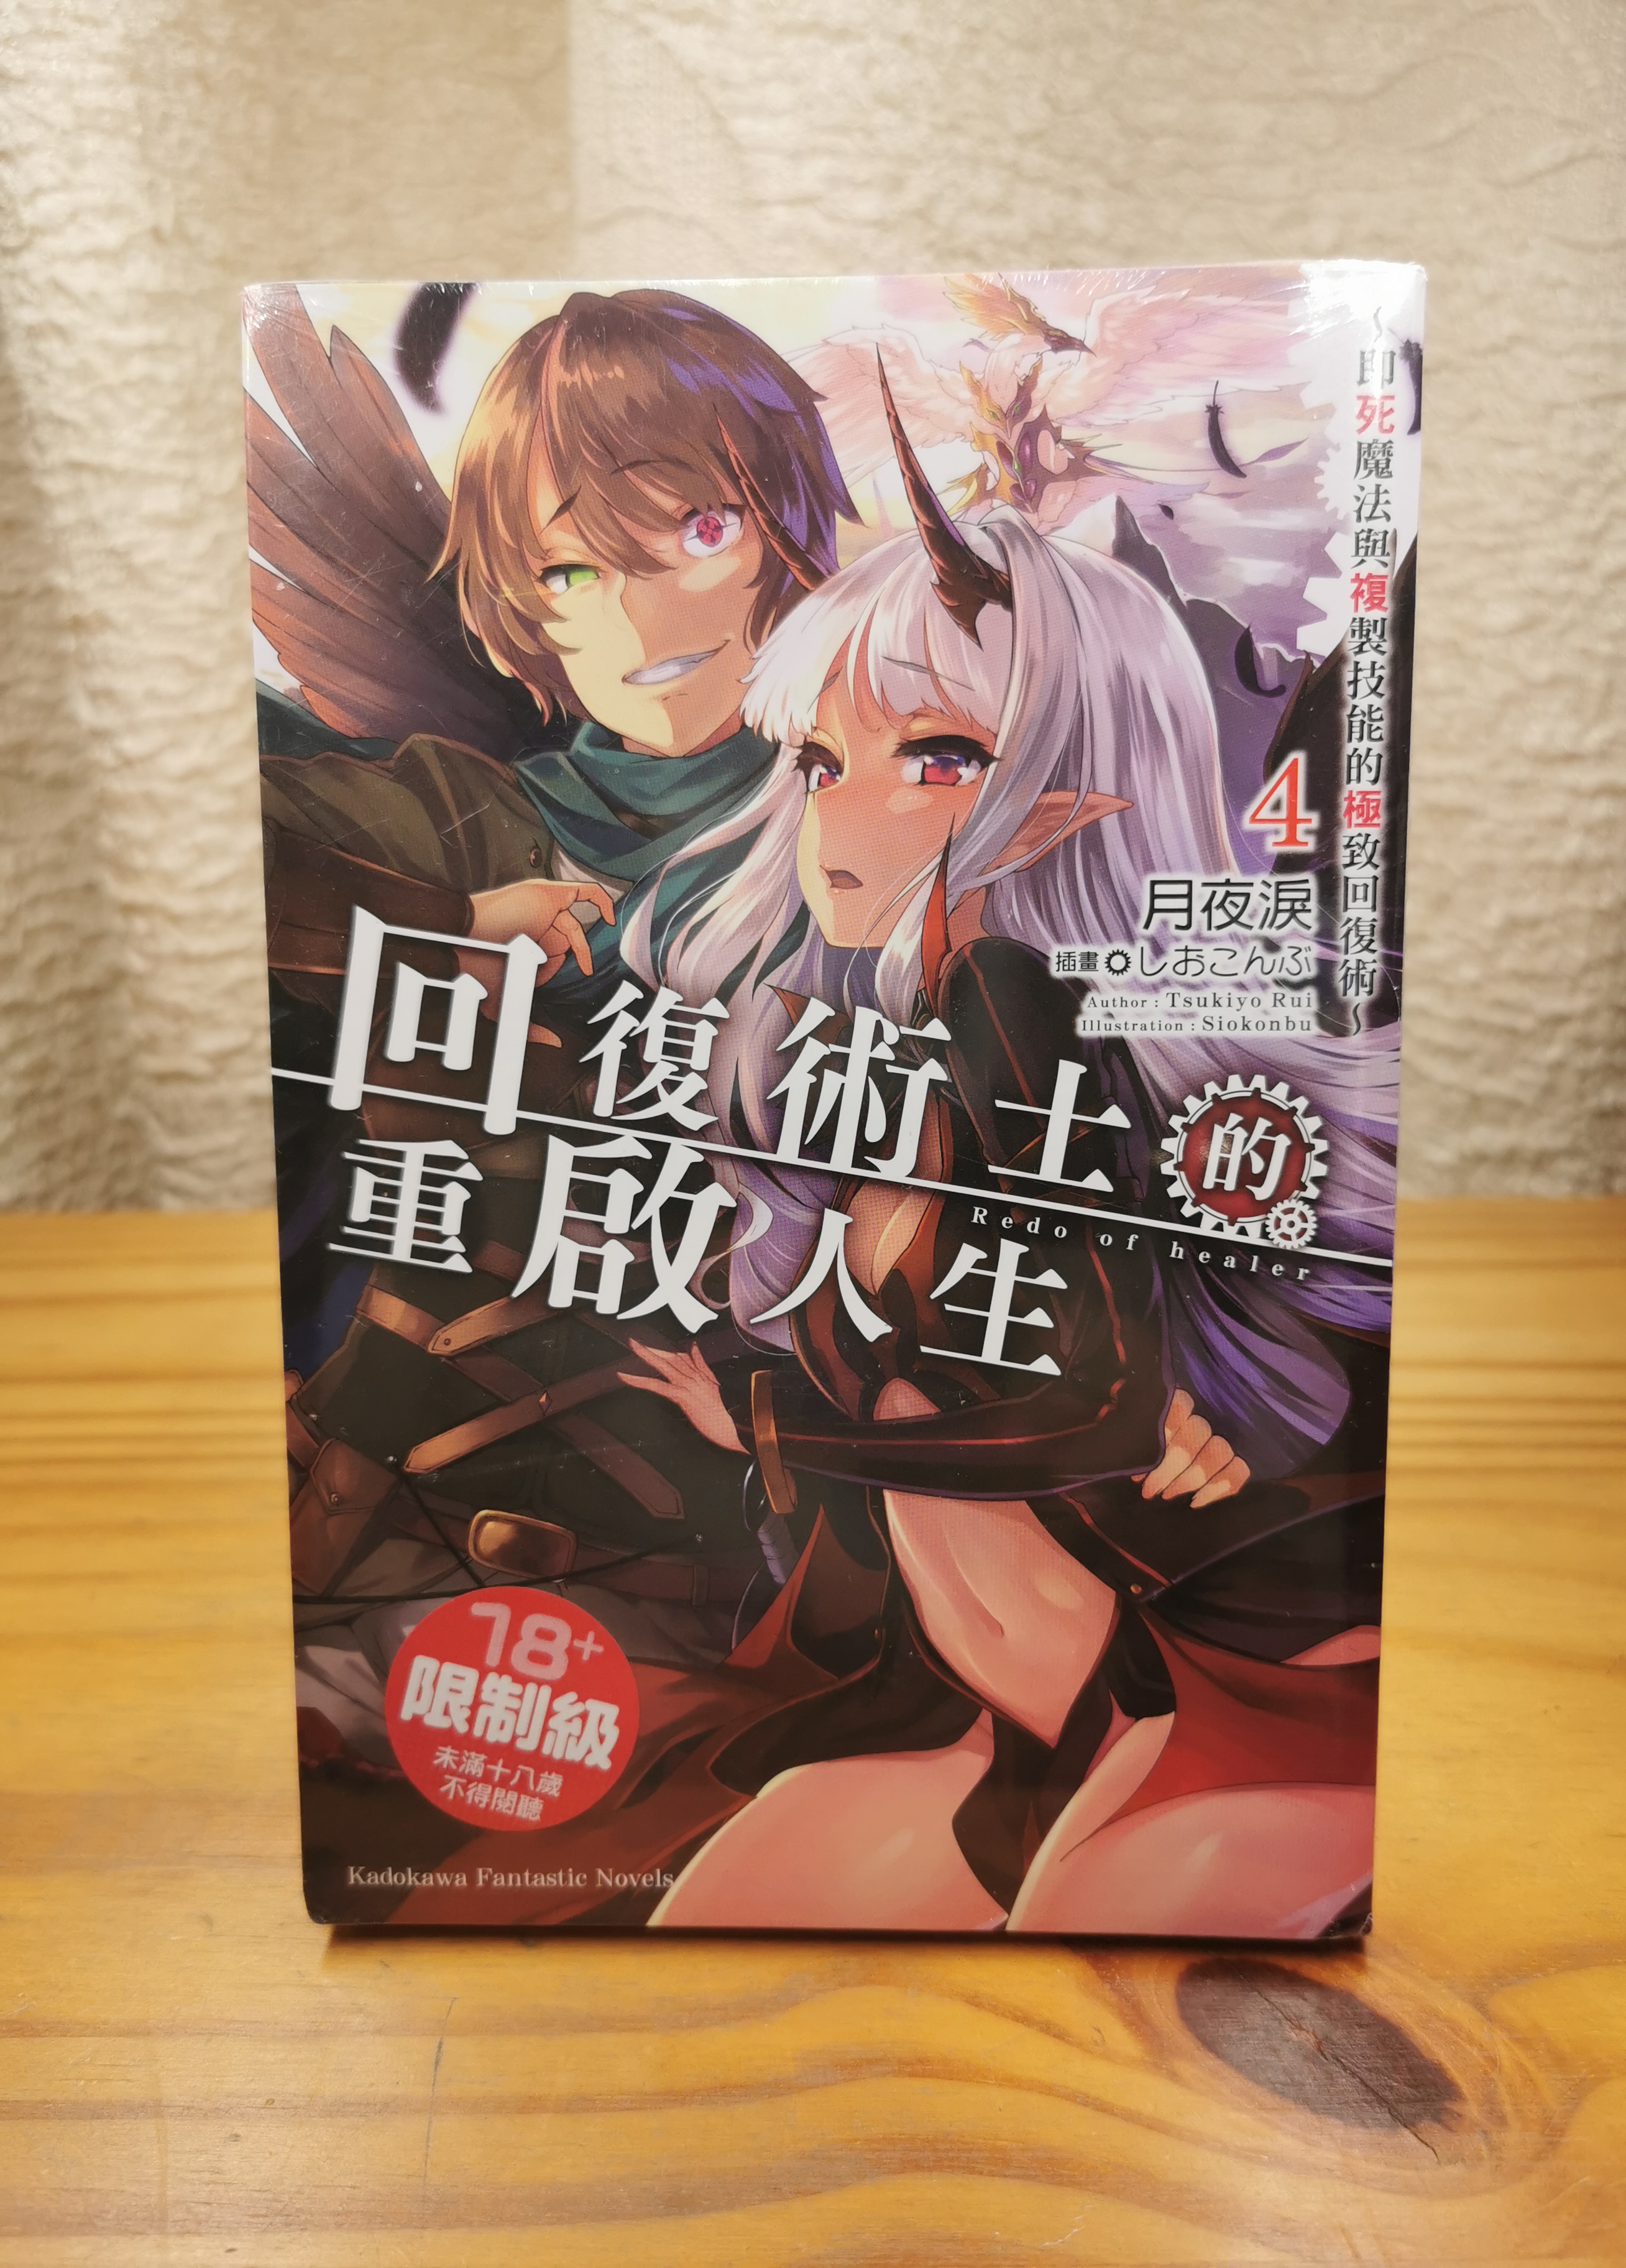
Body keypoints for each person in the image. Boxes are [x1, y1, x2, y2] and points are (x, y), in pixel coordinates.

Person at [602, 410, 1395, 1933]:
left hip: (1184, 1705)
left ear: (1073, 781)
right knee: (712, 1911)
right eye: (822, 759)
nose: (841, 816)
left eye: (939, 757)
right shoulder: (874, 1069)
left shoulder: (1029, 1018)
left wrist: (784, 1425)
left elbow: (1100, 1404)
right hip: (999, 1729)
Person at [249, 285, 856, 1825]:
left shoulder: (877, 815)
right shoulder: (467, 814)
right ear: (518, 603)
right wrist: (454, 917)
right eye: (575, 570)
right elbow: (230, 841)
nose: (639, 621)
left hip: (758, 1521)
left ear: (788, 534)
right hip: (400, 1512)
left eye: (698, 532)